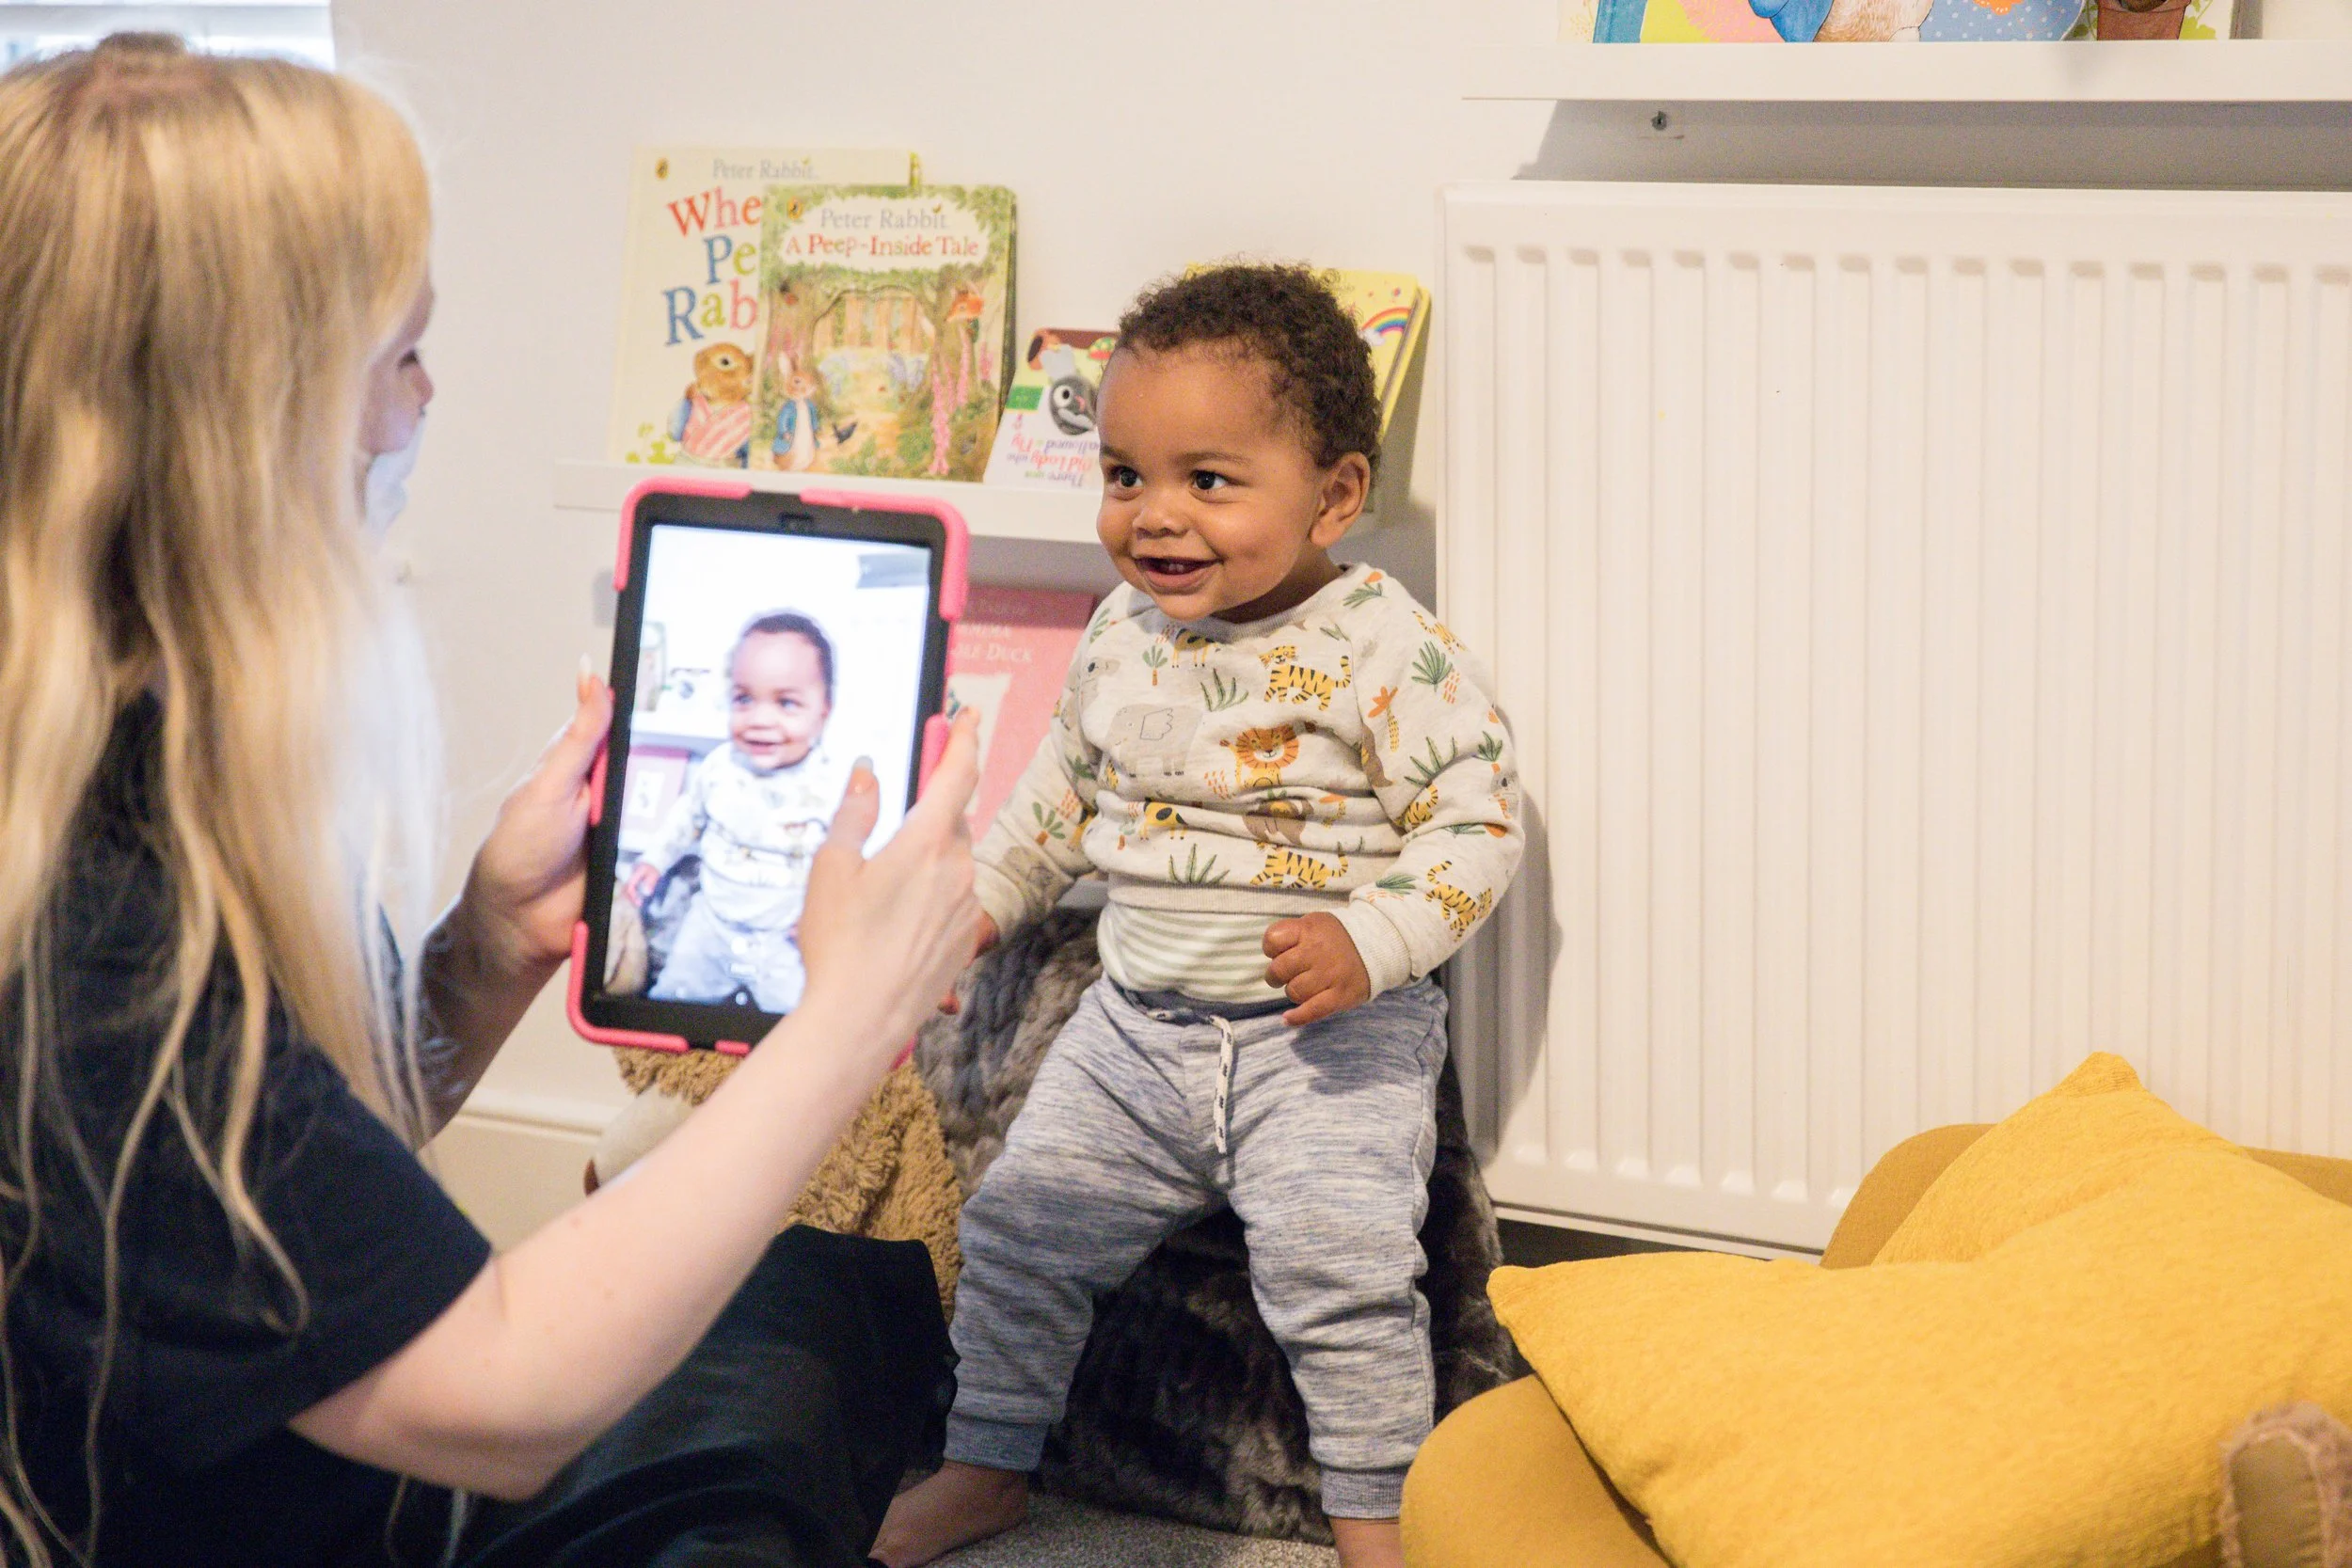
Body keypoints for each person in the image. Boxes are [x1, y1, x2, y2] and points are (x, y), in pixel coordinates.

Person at [0, 35, 982, 1568]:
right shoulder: (88, 921)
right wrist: (853, 1015)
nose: (421, 405)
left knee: (815, 1303)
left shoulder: (115, 760)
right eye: (397, 354)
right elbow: (504, 1392)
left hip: (320, 1488)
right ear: (246, 423)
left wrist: (479, 954)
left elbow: (249, 1219)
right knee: (749, 1433)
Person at [874, 264, 1526, 1568]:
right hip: (1136, 1032)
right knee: (1016, 1229)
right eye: (1125, 475)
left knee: (1339, 1273)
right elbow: (1051, 806)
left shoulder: (1385, 644)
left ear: (1334, 493)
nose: (1156, 516)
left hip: (1324, 1039)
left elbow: (1478, 819)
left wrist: (1371, 938)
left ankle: (1375, 1520)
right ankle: (986, 1464)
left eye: (1208, 481)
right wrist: (967, 917)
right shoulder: (1122, 634)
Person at [626, 610, 845, 1011]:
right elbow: (685, 819)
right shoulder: (719, 767)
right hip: (712, 921)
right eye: (744, 699)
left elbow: (845, 862)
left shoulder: (831, 787)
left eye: (786, 702)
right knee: (674, 999)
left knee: (801, 1019)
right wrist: (656, 859)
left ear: (823, 711)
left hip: (784, 935)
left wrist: (827, 913)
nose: (761, 719)